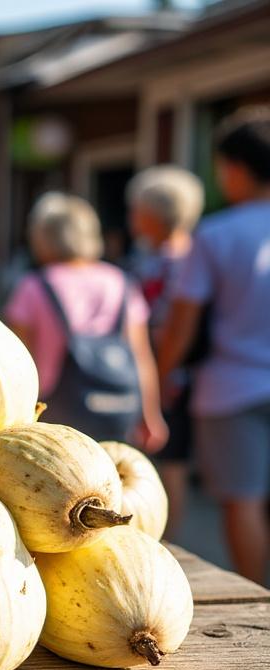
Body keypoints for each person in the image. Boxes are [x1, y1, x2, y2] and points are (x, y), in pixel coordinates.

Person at [159, 106, 270, 585]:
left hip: (229, 388)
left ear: (235, 168)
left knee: (242, 501)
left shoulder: (215, 234)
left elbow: (183, 324)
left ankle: (259, 600)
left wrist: (161, 375)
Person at [5, 193, 166, 449]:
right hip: (119, 406)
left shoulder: (33, 287)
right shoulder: (120, 281)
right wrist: (151, 415)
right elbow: (141, 355)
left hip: (53, 409)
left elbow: (18, 359)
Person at [126, 165, 206, 539]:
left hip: (166, 371)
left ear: (153, 214)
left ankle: (167, 537)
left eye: (137, 210)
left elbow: (165, 326)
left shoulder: (168, 262)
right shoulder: (191, 254)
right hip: (180, 371)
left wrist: (157, 375)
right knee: (172, 459)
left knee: (168, 460)